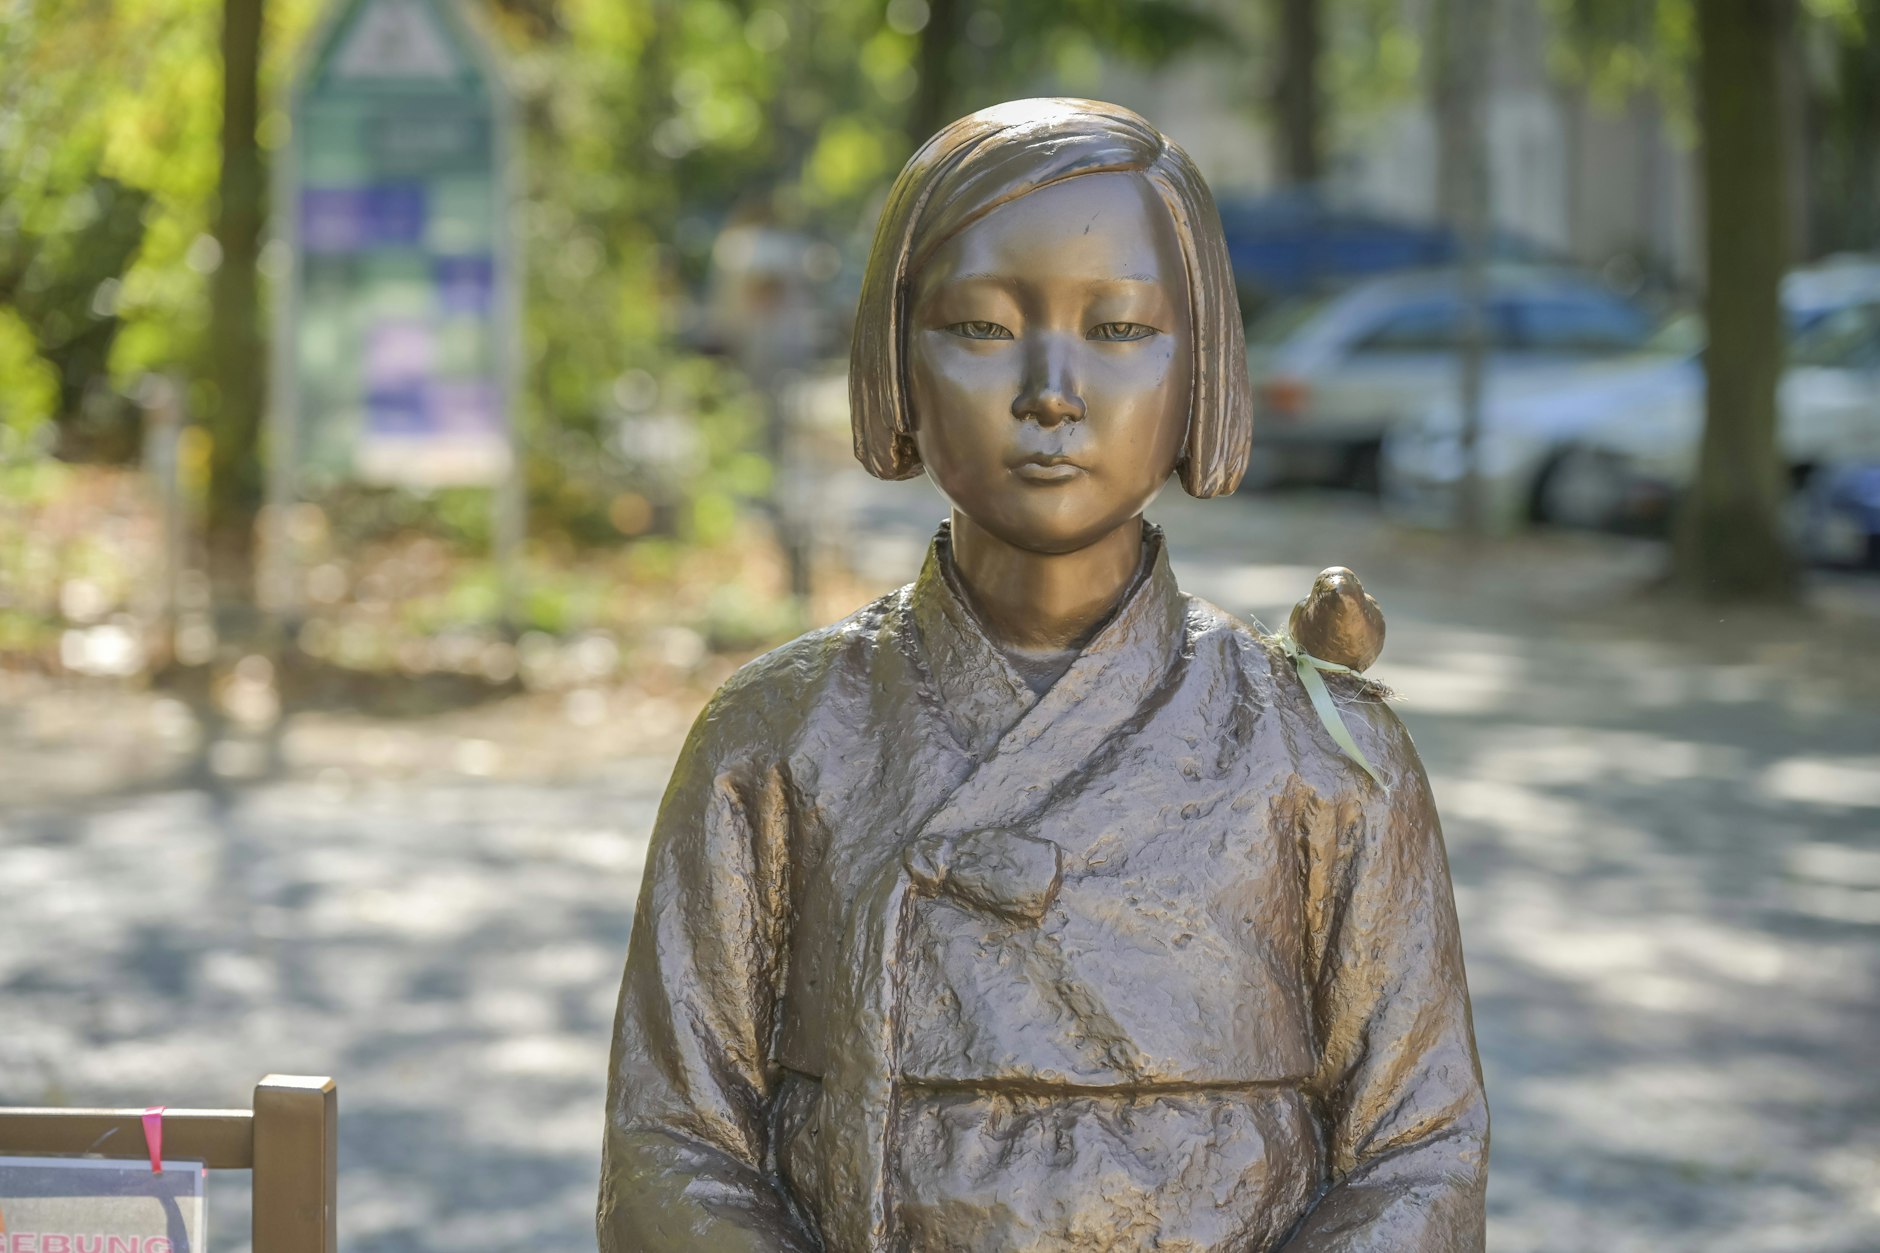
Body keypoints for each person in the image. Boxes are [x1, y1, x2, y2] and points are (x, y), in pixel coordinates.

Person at [599, 98, 1486, 1252]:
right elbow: (672, 1144)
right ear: (895, 358)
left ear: (1198, 361)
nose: (1050, 390)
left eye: (1118, 328)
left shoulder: (1317, 750)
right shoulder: (775, 732)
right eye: (976, 326)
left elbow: (1419, 1153)